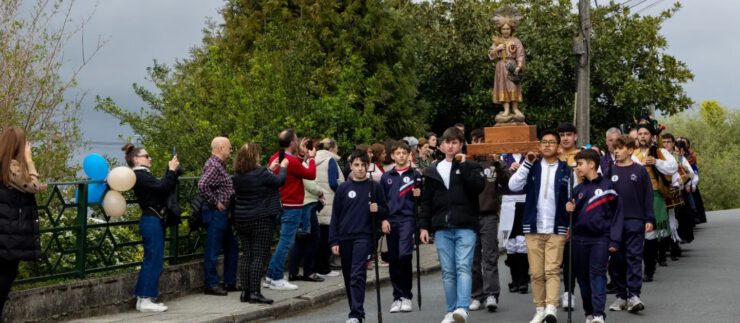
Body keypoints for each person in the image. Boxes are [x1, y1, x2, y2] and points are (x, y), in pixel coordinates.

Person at [419, 127, 486, 323]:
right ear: (441, 146)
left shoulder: (472, 166)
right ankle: (451, 310)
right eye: (447, 142)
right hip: (442, 227)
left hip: (465, 224)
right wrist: (423, 226)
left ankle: (462, 308)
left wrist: (463, 166)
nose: (450, 146)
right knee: (448, 271)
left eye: (455, 142)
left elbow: (478, 187)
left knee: (463, 267)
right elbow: (426, 201)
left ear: (461, 145)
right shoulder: (433, 170)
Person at [508, 129, 571, 323]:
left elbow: (572, 196)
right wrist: (526, 162)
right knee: (535, 272)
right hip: (533, 226)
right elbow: (513, 185)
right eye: (544, 142)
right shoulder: (532, 167)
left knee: (552, 269)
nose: (547, 145)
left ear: (558, 147)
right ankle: (540, 308)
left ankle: (551, 307)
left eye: (552, 142)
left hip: (557, 226)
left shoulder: (566, 169)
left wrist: (571, 220)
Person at [330, 150, 388, 323]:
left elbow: (385, 210)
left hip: (364, 236)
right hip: (345, 236)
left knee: (357, 274)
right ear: (350, 166)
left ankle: (356, 314)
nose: (360, 169)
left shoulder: (374, 187)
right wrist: (333, 239)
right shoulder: (343, 188)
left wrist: (379, 211)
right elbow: (336, 216)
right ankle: (356, 311)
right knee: (348, 277)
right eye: (356, 165)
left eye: (364, 165)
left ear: (368, 166)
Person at [122, 143, 179, 312]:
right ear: (136, 159)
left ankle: (143, 298)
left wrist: (174, 172)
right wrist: (170, 170)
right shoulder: (139, 175)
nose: (150, 158)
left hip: (152, 219)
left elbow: (161, 187)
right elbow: (162, 188)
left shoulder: (143, 175)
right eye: (147, 156)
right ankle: (146, 298)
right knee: (153, 260)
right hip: (151, 220)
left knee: (152, 259)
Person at [566, 149, 622, 323]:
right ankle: (589, 313)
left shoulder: (608, 186)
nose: (578, 168)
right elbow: (572, 218)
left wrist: (614, 239)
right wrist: (569, 210)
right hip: (578, 240)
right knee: (582, 278)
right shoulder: (577, 190)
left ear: (592, 164)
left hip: (600, 239)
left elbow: (617, 215)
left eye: (580, 164)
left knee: (597, 275)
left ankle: (599, 314)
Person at [231, 143, 289, 304]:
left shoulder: (237, 176)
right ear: (254, 156)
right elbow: (279, 181)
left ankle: (245, 291)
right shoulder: (261, 173)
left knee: (247, 256)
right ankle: (255, 292)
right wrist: (283, 167)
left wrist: (270, 168)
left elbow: (261, 179)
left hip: (242, 219)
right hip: (261, 219)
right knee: (259, 256)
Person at [0, 127, 46, 319]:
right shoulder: (13, 166)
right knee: (5, 277)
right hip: (9, 232)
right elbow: (34, 186)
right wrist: (29, 160)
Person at [266, 129, 317, 290]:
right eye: (296, 140)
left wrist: (302, 156)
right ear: (292, 143)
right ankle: (276, 277)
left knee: (283, 241)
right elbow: (310, 174)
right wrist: (312, 159)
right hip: (292, 205)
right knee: (286, 242)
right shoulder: (291, 160)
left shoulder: (276, 157)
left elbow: (295, 169)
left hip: (279, 204)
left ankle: (271, 275)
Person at [607, 135, 653, 313]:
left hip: (635, 220)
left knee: (634, 258)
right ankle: (621, 296)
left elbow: (647, 196)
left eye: (620, 148)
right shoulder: (610, 170)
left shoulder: (640, 171)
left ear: (630, 150)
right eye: (615, 148)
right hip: (615, 223)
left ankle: (634, 295)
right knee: (616, 261)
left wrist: (649, 219)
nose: (616, 151)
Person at [469, 129, 509, 313]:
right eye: (476, 141)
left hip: (489, 214)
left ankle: (491, 293)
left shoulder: (494, 162)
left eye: (483, 141)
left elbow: (508, 183)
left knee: (490, 256)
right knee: (473, 259)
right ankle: (476, 295)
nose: (479, 144)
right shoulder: (467, 162)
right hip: (469, 216)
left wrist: (498, 163)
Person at [379, 141, 421, 313]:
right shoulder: (386, 177)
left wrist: (419, 194)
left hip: (407, 219)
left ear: (409, 154)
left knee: (405, 256)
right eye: (398, 153)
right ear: (392, 156)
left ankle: (407, 296)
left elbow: (422, 199)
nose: (401, 156)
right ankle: (397, 297)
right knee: (394, 259)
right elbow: (382, 201)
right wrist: (383, 219)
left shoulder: (415, 175)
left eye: (404, 152)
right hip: (391, 220)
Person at [632, 123, 677, 281]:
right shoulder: (633, 153)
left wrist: (656, 162)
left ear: (651, 136)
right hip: (636, 196)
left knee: (650, 231)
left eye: (646, 133)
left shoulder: (660, 151)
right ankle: (641, 266)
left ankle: (649, 268)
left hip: (655, 193)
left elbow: (672, 168)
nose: (643, 136)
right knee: (638, 232)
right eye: (640, 133)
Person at [198, 137, 238, 296]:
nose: (231, 150)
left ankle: (229, 282)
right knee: (213, 249)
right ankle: (211, 284)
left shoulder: (218, 164)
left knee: (232, 247)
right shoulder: (214, 165)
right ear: (221, 148)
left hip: (221, 214)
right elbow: (202, 185)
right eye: (229, 147)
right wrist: (216, 202)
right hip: (216, 213)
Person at [288, 150, 325, 283]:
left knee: (299, 240)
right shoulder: (301, 165)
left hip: (298, 205)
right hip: (308, 204)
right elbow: (310, 184)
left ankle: (293, 272)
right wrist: (320, 192)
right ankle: (309, 272)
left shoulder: (290, 163)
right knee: (313, 239)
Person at [314, 139, 345, 277]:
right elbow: (333, 183)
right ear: (332, 147)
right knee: (327, 238)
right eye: (337, 146)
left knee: (320, 236)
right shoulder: (330, 161)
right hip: (331, 202)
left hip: (319, 202)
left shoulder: (314, 159)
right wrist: (343, 190)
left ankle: (318, 266)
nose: (337, 149)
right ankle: (324, 268)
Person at [489, 6, 525, 122]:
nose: (506, 31)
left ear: (511, 29)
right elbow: (490, 54)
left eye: (508, 29)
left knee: (513, 85)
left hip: (512, 65)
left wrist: (519, 66)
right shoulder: (497, 41)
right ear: (500, 30)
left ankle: (515, 109)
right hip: (500, 66)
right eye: (503, 29)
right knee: (502, 86)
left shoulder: (516, 41)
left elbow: (520, 54)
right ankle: (506, 109)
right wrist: (497, 49)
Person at [558, 122, 580, 310]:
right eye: (562, 134)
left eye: (568, 134)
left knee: (570, 254)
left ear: (575, 137)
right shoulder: (553, 155)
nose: (565, 138)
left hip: (577, 208)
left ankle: (569, 292)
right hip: (555, 209)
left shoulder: (582, 156)